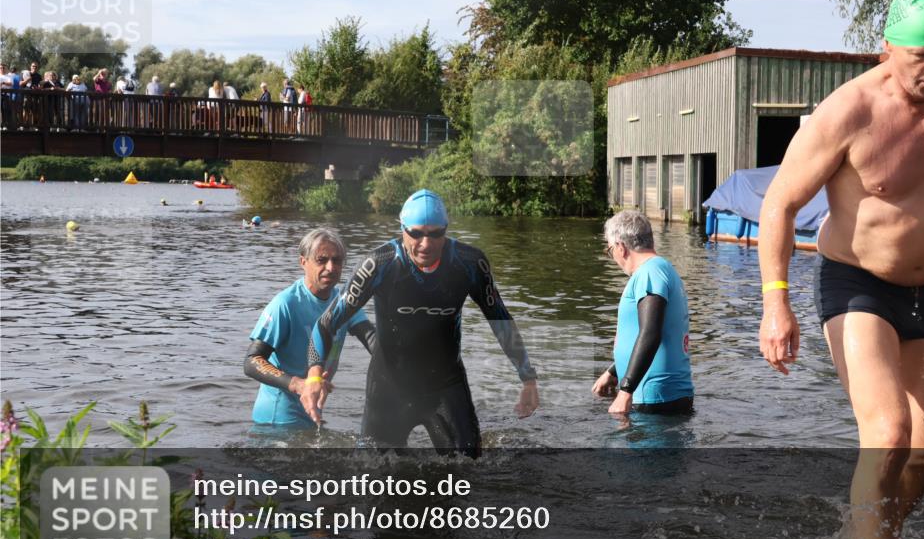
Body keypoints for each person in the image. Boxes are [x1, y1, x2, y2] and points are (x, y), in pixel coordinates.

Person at [757, 0, 924, 539]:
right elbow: (779, 205)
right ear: (886, 47)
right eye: (923, 55)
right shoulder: (849, 110)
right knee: (887, 433)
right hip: (855, 282)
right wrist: (775, 301)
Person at [305, 189, 539, 457]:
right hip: (389, 385)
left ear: (446, 231)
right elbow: (326, 323)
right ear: (402, 229)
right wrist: (313, 375)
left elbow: (500, 320)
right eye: (416, 233)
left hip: (445, 384)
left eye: (435, 233)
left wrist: (528, 380)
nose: (425, 244)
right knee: (370, 476)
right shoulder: (379, 264)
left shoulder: (469, 263)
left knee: (469, 468)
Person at [245, 228, 375, 427]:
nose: (331, 267)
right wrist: (298, 384)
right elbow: (252, 361)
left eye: (337, 260)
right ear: (303, 262)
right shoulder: (286, 304)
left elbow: (372, 340)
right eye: (321, 260)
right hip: (276, 420)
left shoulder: (345, 302)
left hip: (311, 414)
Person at [592, 210, 694, 415]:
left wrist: (625, 390)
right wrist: (614, 371)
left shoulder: (650, 272)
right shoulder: (660, 269)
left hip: (653, 398)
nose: (612, 257)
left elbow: (650, 333)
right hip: (660, 395)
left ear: (621, 247)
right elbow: (659, 332)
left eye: (609, 250)